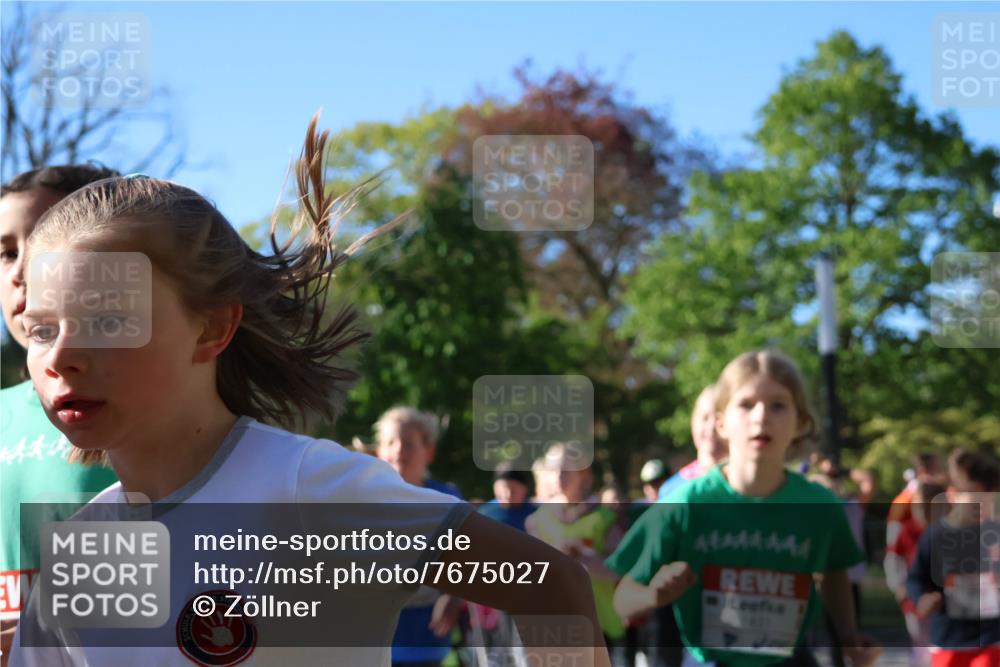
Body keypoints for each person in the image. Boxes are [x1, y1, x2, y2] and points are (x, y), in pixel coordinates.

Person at [10, 116, 611, 667]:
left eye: (110, 320)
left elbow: (552, 587)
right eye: (41, 329)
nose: (61, 356)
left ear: (213, 327)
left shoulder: (307, 490)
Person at [608, 349, 880, 667]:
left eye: (778, 405)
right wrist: (651, 596)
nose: (761, 416)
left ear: (801, 423)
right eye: (746, 404)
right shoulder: (683, 505)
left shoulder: (820, 507)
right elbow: (622, 601)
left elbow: (835, 571)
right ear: (721, 422)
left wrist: (849, 635)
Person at [0, 165, 121, 667]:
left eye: (48, 243)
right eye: (6, 251)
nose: (21, 271)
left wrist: (49, 639)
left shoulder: (148, 410)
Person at [374, 405, 465, 667]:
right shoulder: (363, 499)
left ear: (430, 451)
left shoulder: (446, 499)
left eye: (409, 443)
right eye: (390, 442)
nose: (398, 450)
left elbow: (466, 558)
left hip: (426, 629)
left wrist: (453, 595)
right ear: (379, 452)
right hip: (373, 631)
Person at [527, 442, 627, 665]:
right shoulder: (537, 521)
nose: (558, 476)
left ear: (583, 473)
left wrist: (582, 556)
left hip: (603, 625)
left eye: (566, 469)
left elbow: (619, 569)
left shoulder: (604, 518)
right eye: (553, 469)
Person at [907, 449, 1000, 667]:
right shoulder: (935, 536)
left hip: (991, 640)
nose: (983, 508)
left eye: (989, 500)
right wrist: (922, 598)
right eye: (976, 499)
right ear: (955, 494)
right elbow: (916, 578)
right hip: (948, 639)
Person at [886, 481, 948, 667]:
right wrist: (899, 586)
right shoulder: (908, 530)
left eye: (927, 507)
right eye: (918, 507)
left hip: (944, 602)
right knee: (921, 646)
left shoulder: (949, 532)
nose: (921, 512)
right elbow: (893, 560)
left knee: (940, 646)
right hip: (916, 599)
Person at [658, 384, 728, 500]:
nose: (711, 427)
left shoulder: (753, 483)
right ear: (693, 423)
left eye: (718, 418)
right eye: (705, 418)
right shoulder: (672, 490)